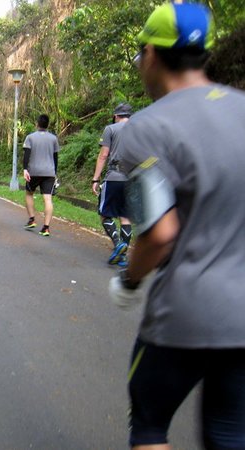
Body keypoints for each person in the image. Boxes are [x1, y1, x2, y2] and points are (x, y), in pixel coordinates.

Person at [108, 3, 245, 449]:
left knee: (149, 423)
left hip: (185, 314)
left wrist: (128, 281)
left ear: (151, 54)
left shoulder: (145, 128)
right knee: (229, 432)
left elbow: (160, 233)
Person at [92, 103, 133, 266]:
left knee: (104, 214)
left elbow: (103, 155)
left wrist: (95, 178)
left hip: (114, 177)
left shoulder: (111, 129)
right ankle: (122, 257)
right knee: (125, 217)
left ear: (116, 116)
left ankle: (118, 244)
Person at [22, 114, 59, 237]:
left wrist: (25, 169)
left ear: (37, 124)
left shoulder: (30, 137)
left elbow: (26, 155)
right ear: (47, 125)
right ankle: (46, 227)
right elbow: (55, 157)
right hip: (49, 172)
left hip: (34, 171)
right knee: (48, 199)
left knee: (29, 193)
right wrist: (55, 172)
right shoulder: (53, 139)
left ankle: (32, 219)